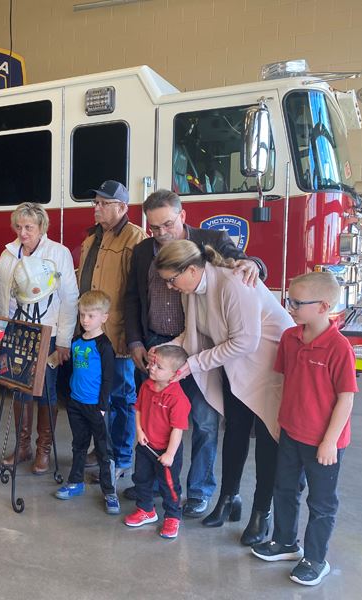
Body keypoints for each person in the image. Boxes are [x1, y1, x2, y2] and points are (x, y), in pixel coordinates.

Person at [123, 189, 267, 515]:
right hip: (158, 344)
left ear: (183, 216)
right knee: (153, 415)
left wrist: (253, 264)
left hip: (200, 348)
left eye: (167, 225)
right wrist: (136, 342)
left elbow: (244, 263)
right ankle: (156, 481)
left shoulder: (210, 241)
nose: (161, 233)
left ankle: (199, 490)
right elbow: (132, 297)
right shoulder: (144, 251)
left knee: (203, 420)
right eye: (154, 228)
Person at [153, 239, 294, 546]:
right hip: (235, 365)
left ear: (191, 269)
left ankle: (261, 511)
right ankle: (229, 499)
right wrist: (168, 349)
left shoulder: (233, 284)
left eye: (172, 280)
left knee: (268, 443)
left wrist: (192, 364)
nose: (170, 287)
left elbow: (246, 342)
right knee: (234, 433)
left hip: (268, 367)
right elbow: (194, 334)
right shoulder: (191, 291)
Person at [252, 272, 357, 586]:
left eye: (297, 302)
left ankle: (315, 558)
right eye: (289, 300)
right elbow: (285, 384)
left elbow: (346, 399)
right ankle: (285, 542)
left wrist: (329, 441)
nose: (290, 307)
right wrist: (278, 422)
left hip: (323, 444)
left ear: (323, 306)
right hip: (290, 434)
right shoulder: (290, 338)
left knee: (321, 503)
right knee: (284, 490)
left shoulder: (339, 348)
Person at [0, 203, 78, 474]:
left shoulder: (58, 253)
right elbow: (3, 299)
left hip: (49, 334)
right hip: (17, 333)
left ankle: (43, 449)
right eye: (19, 227)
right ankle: (23, 447)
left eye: (29, 227)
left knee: (46, 393)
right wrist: (2, 336)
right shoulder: (8, 255)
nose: (23, 232)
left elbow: (69, 299)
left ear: (42, 227)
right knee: (19, 390)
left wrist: (64, 339)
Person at [77, 180, 146, 479]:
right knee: (97, 397)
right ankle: (102, 449)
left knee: (120, 397)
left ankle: (121, 456)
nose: (97, 208)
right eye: (96, 203)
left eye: (104, 203)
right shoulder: (92, 238)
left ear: (122, 207)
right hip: (93, 334)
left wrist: (134, 337)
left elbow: (137, 293)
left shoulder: (135, 238)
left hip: (117, 335)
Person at [54, 291, 119, 515]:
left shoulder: (105, 347)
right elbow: (70, 370)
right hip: (76, 403)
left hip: (95, 407)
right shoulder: (77, 342)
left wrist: (102, 407)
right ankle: (75, 482)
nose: (85, 320)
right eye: (82, 315)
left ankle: (109, 491)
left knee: (103, 450)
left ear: (104, 317)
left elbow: (109, 378)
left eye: (91, 316)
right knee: (78, 444)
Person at [123, 344, 190, 539]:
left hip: (166, 452)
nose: (152, 368)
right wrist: (139, 431)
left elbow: (178, 429)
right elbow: (138, 409)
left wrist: (169, 454)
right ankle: (146, 509)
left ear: (174, 374)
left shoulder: (178, 398)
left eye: (159, 367)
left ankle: (172, 516)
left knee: (169, 486)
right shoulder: (146, 386)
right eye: (153, 363)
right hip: (145, 446)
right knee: (141, 479)